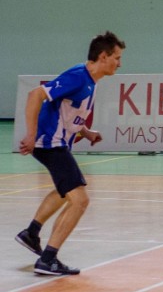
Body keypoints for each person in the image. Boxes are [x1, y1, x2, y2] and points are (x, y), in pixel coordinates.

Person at [15, 31, 125, 276]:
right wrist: (31, 135)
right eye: (117, 57)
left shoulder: (90, 81)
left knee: (67, 191)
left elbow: (68, 111)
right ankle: (48, 259)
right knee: (80, 200)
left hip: (56, 143)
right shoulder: (78, 76)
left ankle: (31, 233)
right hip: (49, 144)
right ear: (103, 56)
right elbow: (36, 95)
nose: (120, 63)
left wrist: (85, 132)